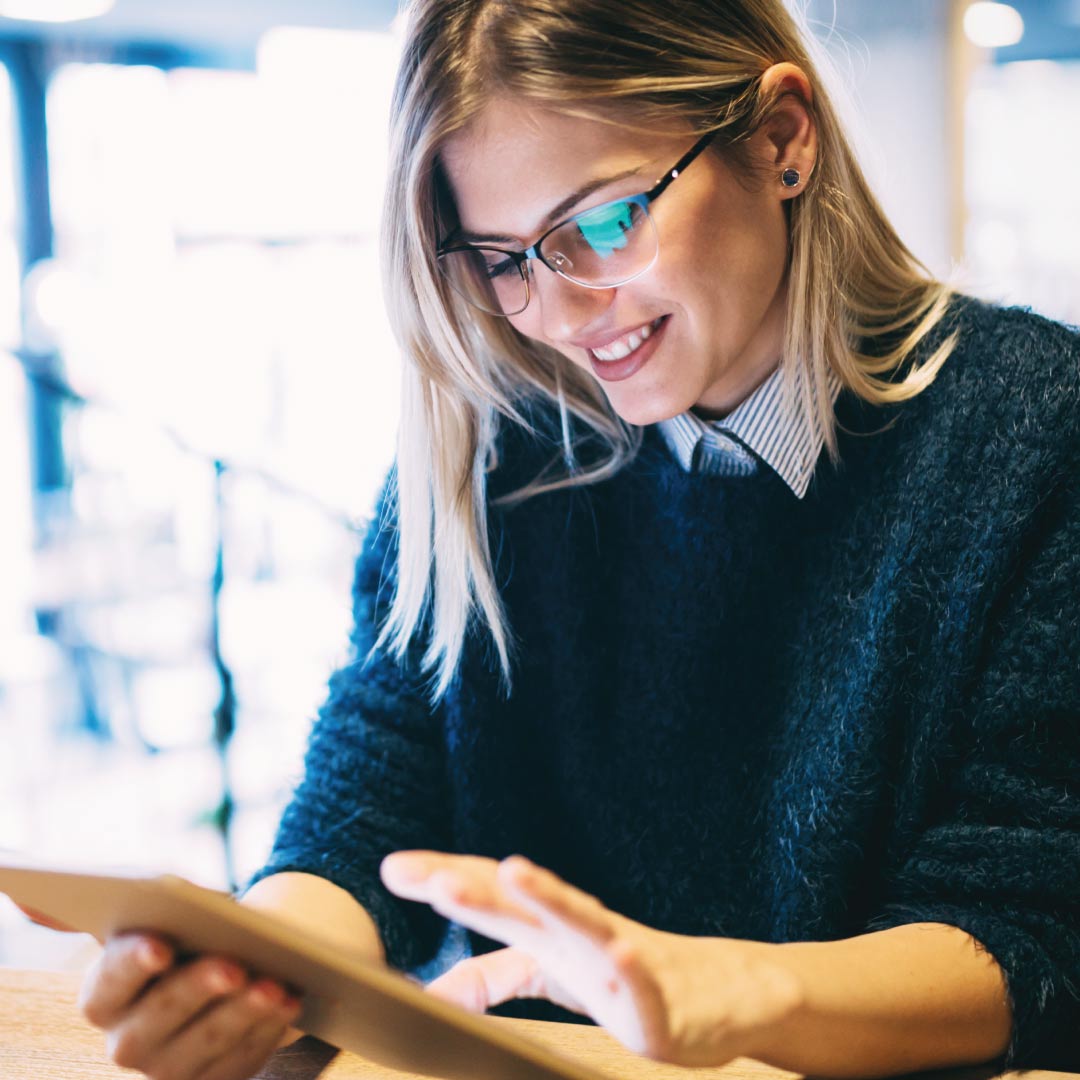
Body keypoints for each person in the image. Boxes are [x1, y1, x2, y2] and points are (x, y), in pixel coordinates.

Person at [70, 1, 1080, 1078]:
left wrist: (723, 991)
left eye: (600, 226)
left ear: (784, 140)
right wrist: (253, 970)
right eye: (501, 259)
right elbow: (368, 809)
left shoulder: (1031, 434)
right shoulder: (495, 448)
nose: (553, 316)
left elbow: (1030, 927)